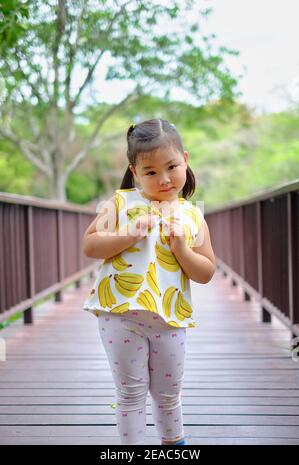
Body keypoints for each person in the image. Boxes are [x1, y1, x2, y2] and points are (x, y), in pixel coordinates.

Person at [82, 118, 216, 445]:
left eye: (171, 166)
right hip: (120, 315)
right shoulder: (121, 204)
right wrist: (130, 232)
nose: (164, 179)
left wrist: (182, 248)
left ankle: (173, 445)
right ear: (135, 171)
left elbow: (206, 272)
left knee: (168, 394)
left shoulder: (192, 215)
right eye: (151, 172)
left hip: (169, 319)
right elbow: (89, 245)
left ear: (185, 159)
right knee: (129, 393)